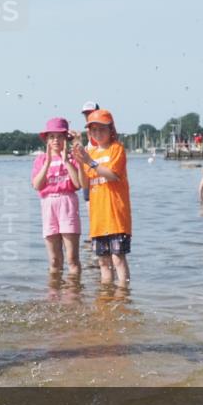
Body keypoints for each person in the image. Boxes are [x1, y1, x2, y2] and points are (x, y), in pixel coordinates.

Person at [73, 110, 132, 286]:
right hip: (98, 218)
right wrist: (81, 163)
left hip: (116, 215)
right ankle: (106, 298)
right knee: (103, 262)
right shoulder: (92, 154)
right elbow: (85, 184)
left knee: (118, 259)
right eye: (93, 130)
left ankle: (123, 296)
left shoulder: (117, 149)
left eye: (101, 129)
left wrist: (89, 161)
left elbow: (113, 175)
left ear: (111, 129)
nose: (97, 133)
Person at [31, 117, 84, 276]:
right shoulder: (40, 160)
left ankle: (73, 296)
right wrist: (47, 162)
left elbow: (77, 185)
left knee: (72, 258)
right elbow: (37, 185)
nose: (56, 140)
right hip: (48, 205)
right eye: (52, 136)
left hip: (67, 202)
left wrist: (66, 161)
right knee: (54, 260)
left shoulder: (73, 158)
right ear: (47, 139)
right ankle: (54, 295)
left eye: (60, 136)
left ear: (66, 139)